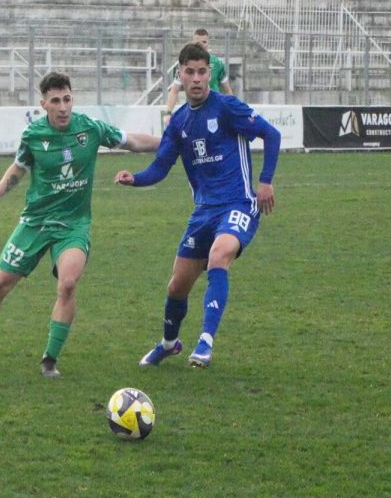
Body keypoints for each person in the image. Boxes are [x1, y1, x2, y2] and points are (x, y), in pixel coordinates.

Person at [0, 71, 160, 378]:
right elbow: (19, 167)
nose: (63, 106)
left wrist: (170, 143)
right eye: (56, 101)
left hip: (73, 225)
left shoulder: (90, 128)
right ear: (44, 104)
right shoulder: (33, 136)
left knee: (67, 283)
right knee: (1, 283)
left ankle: (49, 360)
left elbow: (132, 141)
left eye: (67, 99)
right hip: (36, 222)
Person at [115, 42, 280, 369]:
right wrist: (134, 179)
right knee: (177, 286)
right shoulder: (178, 123)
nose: (196, 79)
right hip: (203, 211)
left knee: (220, 255)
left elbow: (271, 134)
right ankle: (168, 343)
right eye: (189, 72)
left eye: (202, 72)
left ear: (210, 74)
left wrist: (265, 181)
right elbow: (161, 167)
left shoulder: (228, 107)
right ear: (180, 75)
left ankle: (205, 341)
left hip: (239, 204)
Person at [164, 29, 232, 125]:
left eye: (204, 42)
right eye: (198, 42)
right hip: (194, 112)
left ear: (208, 43)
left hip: (215, 111)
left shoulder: (217, 63)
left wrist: (232, 110)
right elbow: (174, 90)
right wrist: (168, 112)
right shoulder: (184, 65)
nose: (202, 45)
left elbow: (227, 90)